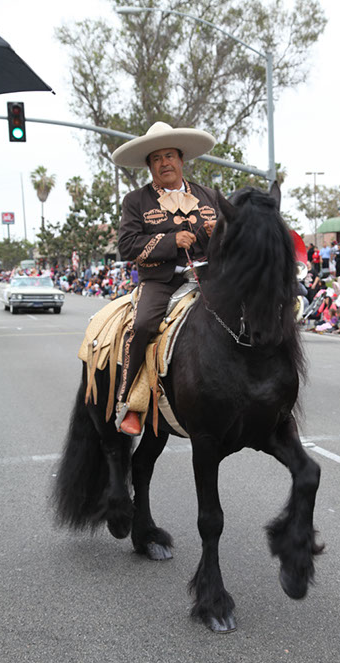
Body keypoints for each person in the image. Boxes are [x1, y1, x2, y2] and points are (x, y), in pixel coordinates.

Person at [111, 121, 218, 435]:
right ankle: (129, 401)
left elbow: (231, 240)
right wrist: (172, 241)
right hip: (161, 282)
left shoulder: (208, 195)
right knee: (142, 324)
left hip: (210, 277)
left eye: (169, 156)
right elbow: (127, 246)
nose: (164, 163)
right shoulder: (136, 201)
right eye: (156, 159)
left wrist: (216, 234)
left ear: (182, 160)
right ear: (149, 166)